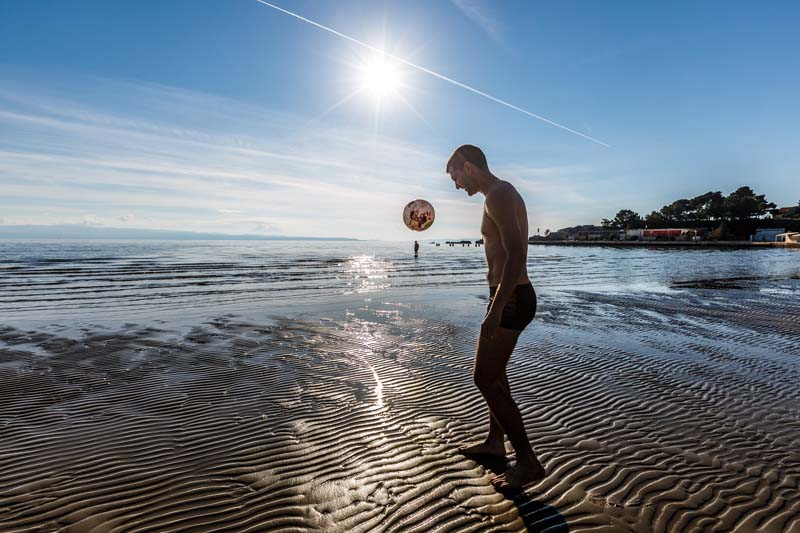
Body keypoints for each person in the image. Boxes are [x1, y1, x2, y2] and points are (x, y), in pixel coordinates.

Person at [446, 144, 545, 491]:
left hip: (512, 298)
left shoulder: (498, 195)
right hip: (508, 295)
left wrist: (497, 308)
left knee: (484, 378)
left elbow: (516, 254)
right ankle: (493, 441)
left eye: (455, 176)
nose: (456, 185)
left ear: (469, 167)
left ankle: (528, 461)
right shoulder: (501, 192)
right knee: (497, 375)